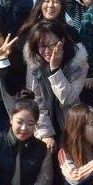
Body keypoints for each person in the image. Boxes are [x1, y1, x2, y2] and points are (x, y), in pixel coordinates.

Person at [26, 20, 88, 148]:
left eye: (52, 44)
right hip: (44, 121)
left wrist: (55, 69)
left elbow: (68, 99)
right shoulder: (34, 62)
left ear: (62, 41)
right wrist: (46, 134)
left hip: (70, 121)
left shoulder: (78, 62)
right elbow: (36, 101)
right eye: (42, 45)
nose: (47, 50)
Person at [16, 0, 81, 46]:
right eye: (47, 1)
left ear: (62, 6)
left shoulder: (71, 32)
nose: (50, 5)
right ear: (40, 4)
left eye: (56, 2)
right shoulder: (29, 30)